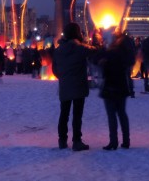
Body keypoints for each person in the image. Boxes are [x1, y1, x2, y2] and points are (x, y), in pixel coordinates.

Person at [52, 22, 96, 151]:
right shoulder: (80, 48)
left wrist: (63, 77)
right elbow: (94, 51)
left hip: (65, 86)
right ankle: (77, 141)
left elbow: (55, 69)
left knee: (63, 114)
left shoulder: (58, 50)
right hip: (78, 86)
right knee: (77, 115)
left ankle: (62, 140)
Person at [96, 31, 132, 150]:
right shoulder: (124, 52)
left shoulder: (109, 53)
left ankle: (113, 141)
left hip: (110, 87)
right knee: (122, 113)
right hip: (122, 86)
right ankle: (126, 141)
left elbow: (103, 69)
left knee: (111, 115)